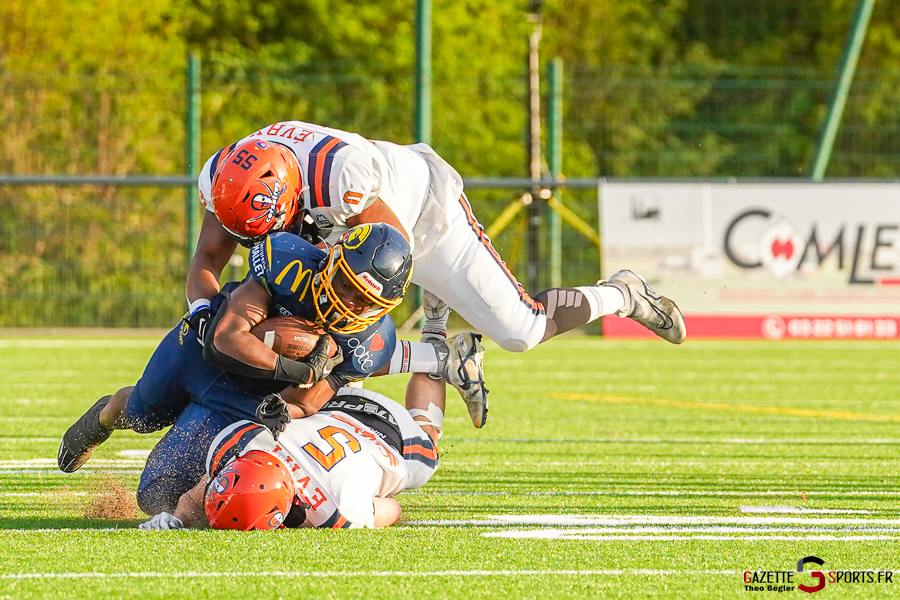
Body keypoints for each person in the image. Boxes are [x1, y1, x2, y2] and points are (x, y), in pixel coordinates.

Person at [195, 124, 687, 426]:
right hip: (350, 248)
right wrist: (202, 312)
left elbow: (389, 261)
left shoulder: (338, 176)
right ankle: (443, 357)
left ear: (290, 193)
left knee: (522, 331)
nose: (265, 244)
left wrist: (330, 347)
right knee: (319, 348)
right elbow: (205, 263)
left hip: (420, 223)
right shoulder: (230, 178)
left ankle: (622, 293)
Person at [58, 224, 451, 513]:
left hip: (244, 398)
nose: (347, 301)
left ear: (381, 307)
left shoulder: (369, 342)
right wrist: (298, 369)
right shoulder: (290, 264)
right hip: (196, 356)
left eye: (362, 299)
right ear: (333, 260)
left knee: (157, 498)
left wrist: (284, 407)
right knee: (141, 412)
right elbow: (225, 338)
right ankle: (106, 414)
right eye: (346, 284)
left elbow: (309, 400)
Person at [138, 372, 444, 530]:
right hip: (336, 402)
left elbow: (394, 509)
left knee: (426, 444)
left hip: (392, 434)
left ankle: (439, 353)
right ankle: (425, 350)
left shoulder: (337, 510)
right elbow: (214, 488)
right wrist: (177, 516)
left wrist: (366, 491)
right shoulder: (252, 443)